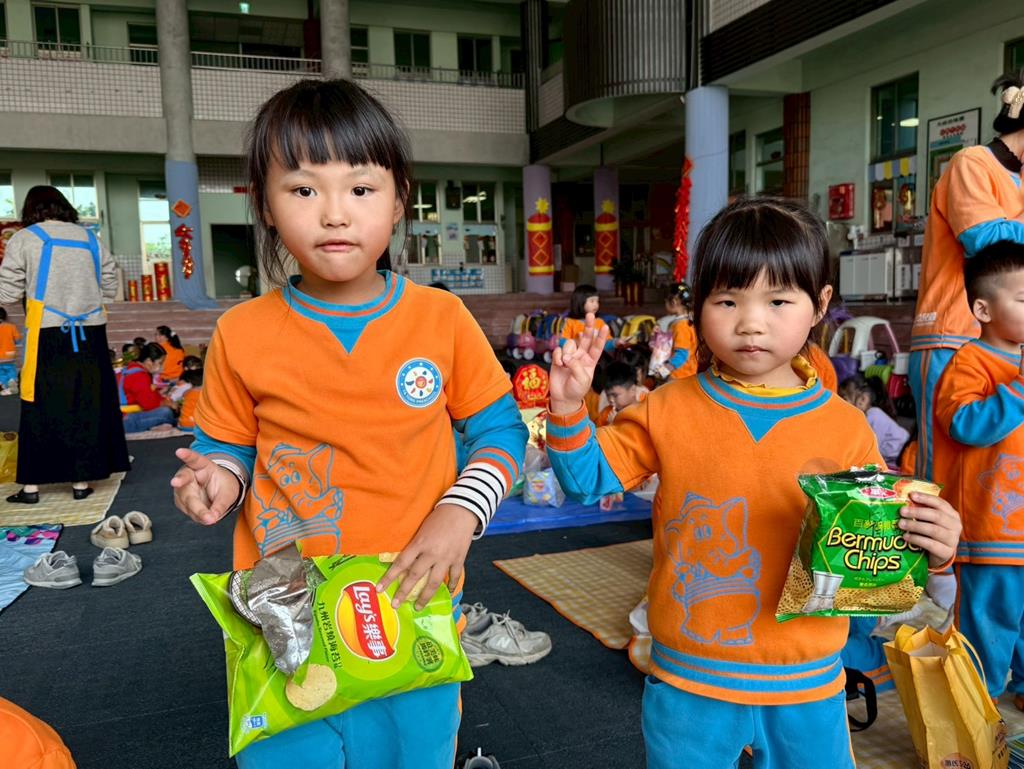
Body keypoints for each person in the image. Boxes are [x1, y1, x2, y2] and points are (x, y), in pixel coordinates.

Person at [168, 78, 527, 769]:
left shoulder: (441, 319)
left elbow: (501, 430)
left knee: (413, 753)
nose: (335, 213)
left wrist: (460, 512)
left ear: (398, 200)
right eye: (303, 190)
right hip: (284, 614)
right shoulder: (242, 331)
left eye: (361, 189)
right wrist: (218, 482)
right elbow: (229, 447)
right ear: (265, 205)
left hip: (412, 601)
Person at [544, 197, 961, 769]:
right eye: (727, 300)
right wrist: (569, 410)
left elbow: (869, 561)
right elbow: (587, 480)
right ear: (698, 306)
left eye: (778, 300)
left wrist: (931, 548)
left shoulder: (845, 427)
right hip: (690, 679)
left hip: (808, 681)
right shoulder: (669, 408)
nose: (751, 322)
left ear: (820, 305)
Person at [910, 69, 1024, 483]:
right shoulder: (972, 162)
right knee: (940, 466)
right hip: (951, 333)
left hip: (1004, 338)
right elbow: (984, 238)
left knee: (988, 470)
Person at [934, 240, 1024, 707]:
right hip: (990, 529)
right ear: (983, 309)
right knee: (989, 620)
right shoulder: (970, 362)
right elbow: (964, 424)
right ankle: (976, 703)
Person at [0, 186, 129, 504]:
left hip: (47, 332)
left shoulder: (25, 238)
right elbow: (110, 280)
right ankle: (81, 482)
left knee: (39, 404)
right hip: (91, 332)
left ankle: (31, 488)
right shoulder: (89, 238)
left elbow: (7, 291)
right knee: (86, 402)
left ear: (31, 208)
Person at [839, 374, 910, 469]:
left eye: (844, 399)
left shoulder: (873, 414)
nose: (840, 404)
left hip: (904, 452)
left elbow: (872, 447)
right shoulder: (865, 417)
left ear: (862, 400)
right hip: (894, 457)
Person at [120, 342, 175, 433]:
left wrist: (164, 400)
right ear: (149, 361)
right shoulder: (139, 375)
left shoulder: (131, 369)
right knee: (166, 412)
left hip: (125, 416)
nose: (162, 367)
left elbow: (150, 396)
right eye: (160, 363)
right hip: (125, 420)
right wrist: (167, 404)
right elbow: (150, 406)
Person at [561, 284, 615, 352]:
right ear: (580, 302)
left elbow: (607, 343)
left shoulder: (600, 322)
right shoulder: (570, 323)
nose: (596, 305)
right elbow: (561, 342)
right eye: (592, 301)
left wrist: (616, 343)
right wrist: (575, 342)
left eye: (597, 301)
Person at [662, 282, 698, 380]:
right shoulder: (688, 321)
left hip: (680, 376)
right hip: (687, 374)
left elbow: (682, 354)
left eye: (665, 301)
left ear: (674, 302)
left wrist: (664, 370)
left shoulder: (681, 325)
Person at [597, 361, 645, 426]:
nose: (611, 399)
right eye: (608, 395)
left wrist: (615, 425)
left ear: (632, 390)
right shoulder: (606, 413)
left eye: (615, 395)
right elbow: (597, 431)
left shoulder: (643, 411)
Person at [0, 307, 21, 395]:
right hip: (10, 354)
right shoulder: (11, 326)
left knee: (1, 372)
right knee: (11, 368)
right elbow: (18, 340)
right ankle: (12, 380)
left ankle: (5, 386)